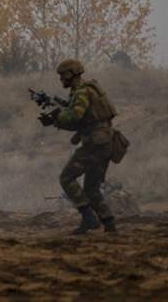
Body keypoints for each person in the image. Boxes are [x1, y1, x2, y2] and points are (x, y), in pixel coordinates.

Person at [42, 59, 119, 234]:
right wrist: (59, 106)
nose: (61, 80)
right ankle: (109, 225)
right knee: (91, 188)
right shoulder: (85, 90)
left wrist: (55, 118)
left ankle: (89, 218)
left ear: (70, 74)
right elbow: (83, 115)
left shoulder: (82, 92)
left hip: (95, 144)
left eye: (62, 76)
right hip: (104, 142)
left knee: (66, 178)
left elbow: (75, 117)